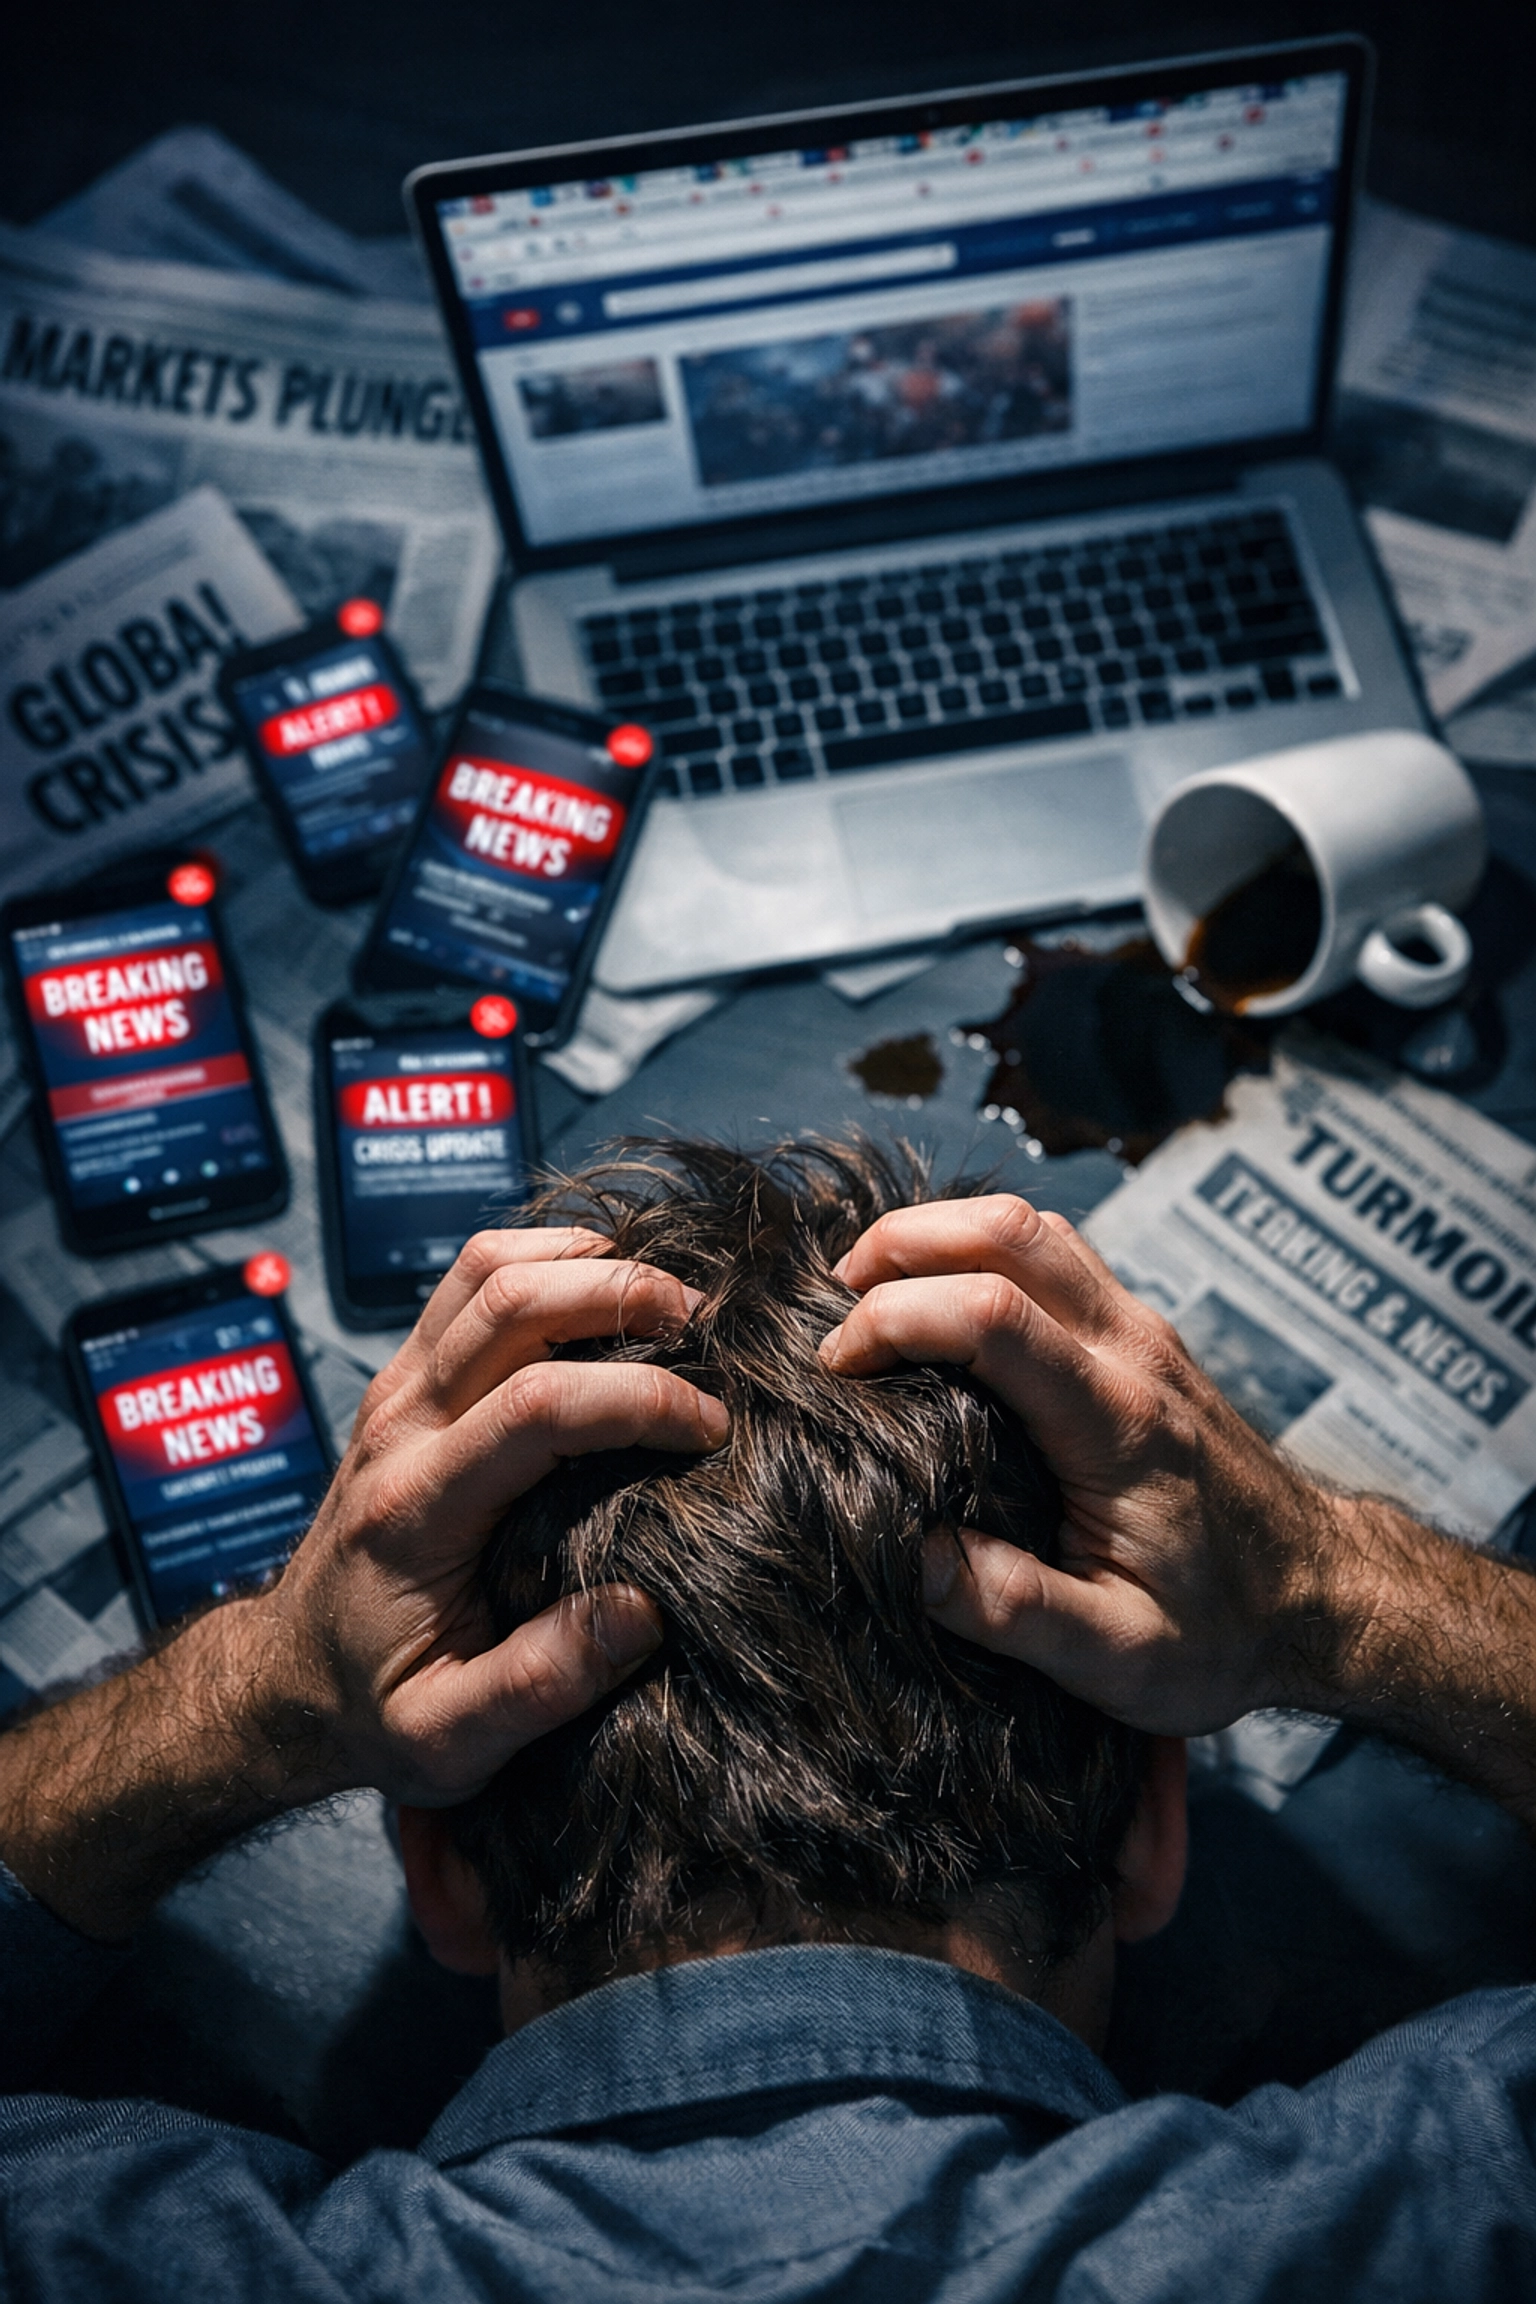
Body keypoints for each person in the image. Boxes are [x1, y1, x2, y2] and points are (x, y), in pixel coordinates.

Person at [3, 1138, 1536, 2299]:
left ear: (438, 1872)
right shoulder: (1456, 2224)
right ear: (1151, 1835)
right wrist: (1332, 1592)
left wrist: (261, 1697)